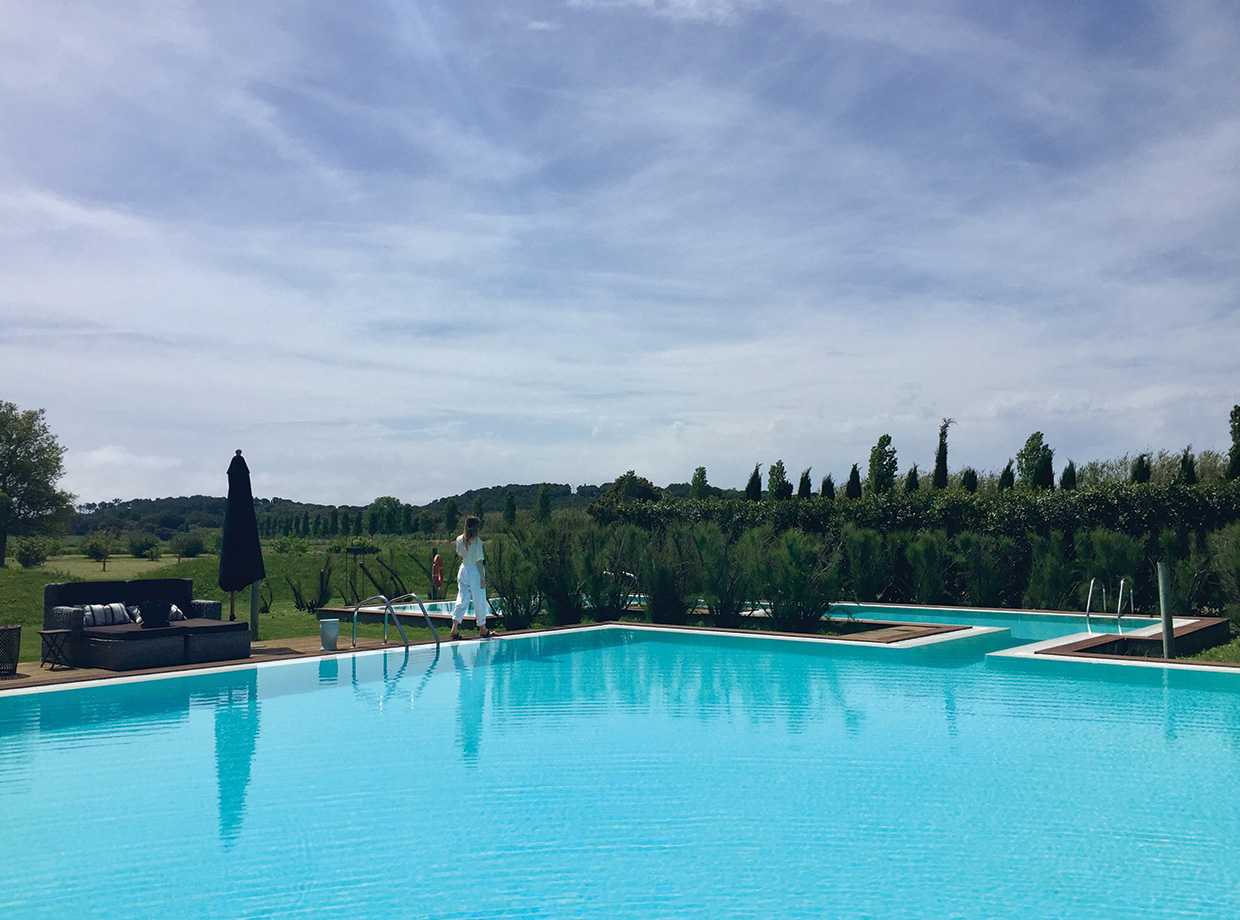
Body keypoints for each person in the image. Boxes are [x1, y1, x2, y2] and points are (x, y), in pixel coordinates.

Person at [450, 515, 491, 640]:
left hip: (463, 569)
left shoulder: (459, 539)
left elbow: (459, 553)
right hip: (474, 570)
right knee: (479, 599)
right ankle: (482, 627)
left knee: (462, 597)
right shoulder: (477, 540)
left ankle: (455, 626)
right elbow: (479, 560)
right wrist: (482, 578)